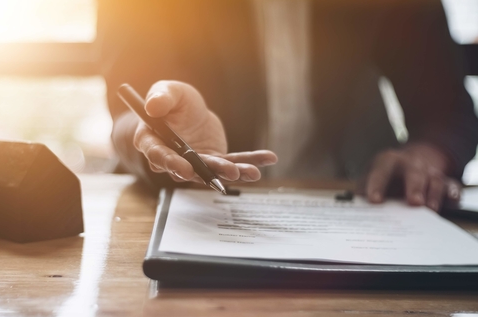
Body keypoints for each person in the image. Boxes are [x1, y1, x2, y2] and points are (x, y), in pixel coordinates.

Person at [98, 0, 478, 211]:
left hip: (356, 206)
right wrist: (162, 133)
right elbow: (128, 112)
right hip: (190, 211)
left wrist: (426, 156)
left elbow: (447, 111)